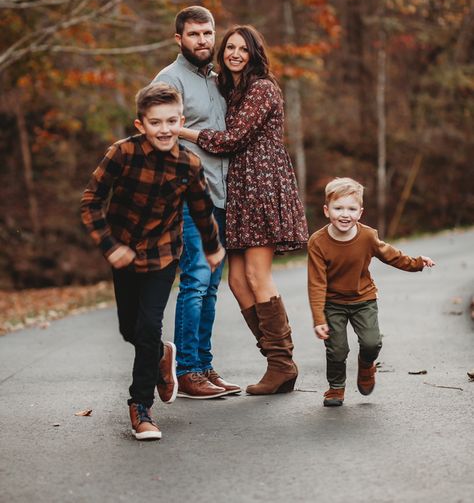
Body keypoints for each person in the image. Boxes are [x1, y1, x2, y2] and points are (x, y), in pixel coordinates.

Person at [80, 83, 225, 440]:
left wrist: (212, 246)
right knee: (130, 330)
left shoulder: (188, 164)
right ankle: (162, 354)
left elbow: (202, 208)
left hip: (162, 254)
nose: (164, 129)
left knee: (147, 327)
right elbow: (91, 201)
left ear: (181, 120)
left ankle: (141, 406)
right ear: (140, 123)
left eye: (171, 121)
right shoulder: (122, 154)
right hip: (124, 252)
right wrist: (109, 244)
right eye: (155, 122)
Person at [179, 24, 308, 395]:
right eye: (229, 47)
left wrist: (184, 133)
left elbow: (232, 139)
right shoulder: (230, 89)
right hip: (239, 190)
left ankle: (281, 364)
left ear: (254, 53)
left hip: (262, 185)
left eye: (242, 48)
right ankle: (277, 362)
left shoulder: (262, 88)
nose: (235, 53)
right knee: (236, 282)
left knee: (256, 275)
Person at [155, 6, 240, 398]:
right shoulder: (170, 80)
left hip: (221, 196)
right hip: (191, 198)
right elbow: (159, 136)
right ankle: (187, 370)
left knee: (210, 287)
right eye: (194, 34)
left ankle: (203, 365)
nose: (203, 41)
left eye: (208, 33)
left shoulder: (217, 80)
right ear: (179, 39)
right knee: (195, 281)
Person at [307, 176, 435, 408]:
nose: (345, 214)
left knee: (372, 343)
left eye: (351, 209)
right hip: (332, 303)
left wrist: (416, 263)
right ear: (327, 211)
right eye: (338, 208)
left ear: (360, 212)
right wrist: (318, 318)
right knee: (336, 349)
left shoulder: (367, 236)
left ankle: (366, 366)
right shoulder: (317, 242)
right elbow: (316, 282)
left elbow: (391, 255)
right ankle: (336, 387)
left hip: (363, 299)